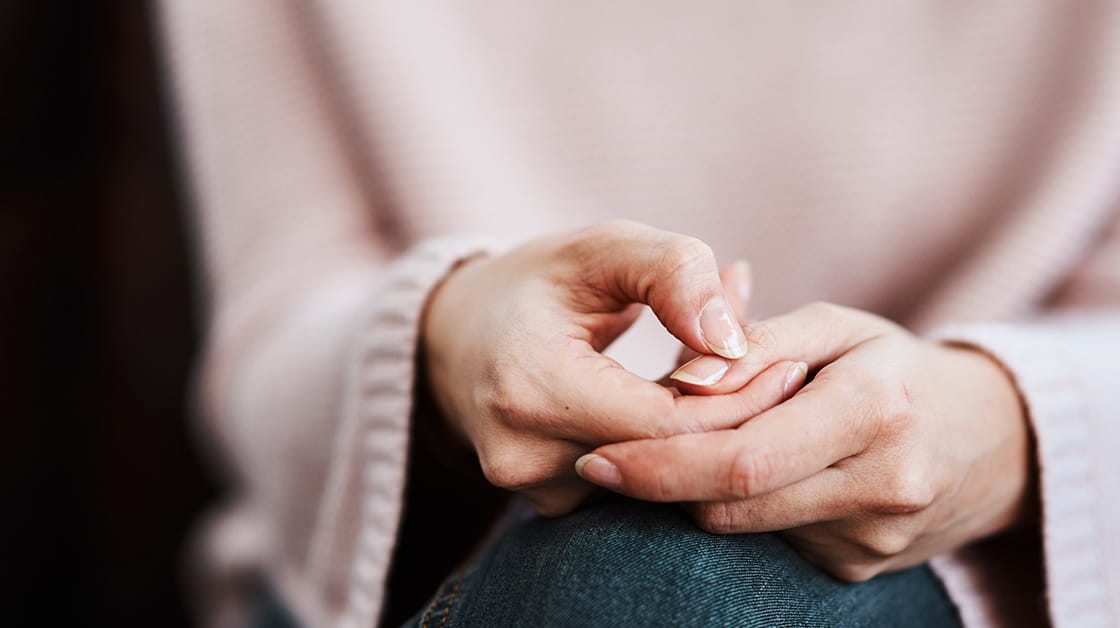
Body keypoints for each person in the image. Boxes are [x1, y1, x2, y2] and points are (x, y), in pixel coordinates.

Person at [157, 2, 1120, 627]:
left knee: (654, 581)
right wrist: (449, 337)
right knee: (645, 579)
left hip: (1012, 573)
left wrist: (1008, 428)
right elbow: (278, 313)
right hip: (403, 571)